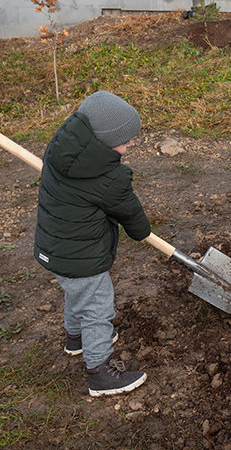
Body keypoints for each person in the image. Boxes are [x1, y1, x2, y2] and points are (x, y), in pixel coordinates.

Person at [34, 90, 151, 397]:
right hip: (83, 257)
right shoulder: (109, 177)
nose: (130, 145)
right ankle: (100, 372)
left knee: (75, 292)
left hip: (54, 248)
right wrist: (142, 232)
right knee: (97, 307)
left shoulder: (61, 150)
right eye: (125, 140)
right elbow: (131, 212)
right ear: (102, 140)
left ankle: (75, 340)